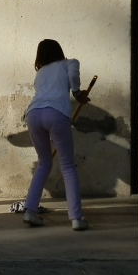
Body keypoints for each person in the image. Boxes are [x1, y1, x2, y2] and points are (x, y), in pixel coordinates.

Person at [23, 39, 91, 231]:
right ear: (59, 50)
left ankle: (30, 210)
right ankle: (76, 218)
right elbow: (74, 78)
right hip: (56, 113)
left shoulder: (40, 73)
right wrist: (78, 94)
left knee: (44, 163)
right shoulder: (70, 63)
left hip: (34, 114)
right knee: (68, 166)